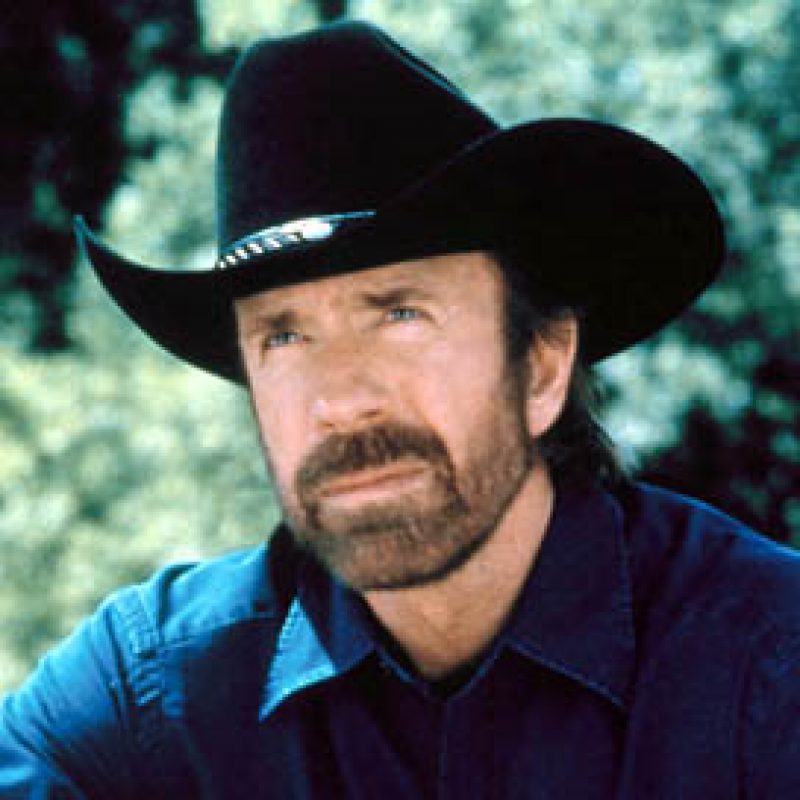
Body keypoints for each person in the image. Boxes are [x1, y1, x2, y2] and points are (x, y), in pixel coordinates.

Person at [1, 20, 798, 799]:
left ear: (543, 365)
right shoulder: (151, 691)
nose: (341, 401)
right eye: (283, 336)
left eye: (400, 315)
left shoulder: (768, 669)